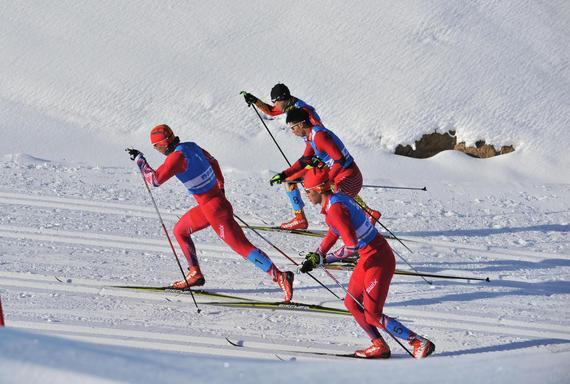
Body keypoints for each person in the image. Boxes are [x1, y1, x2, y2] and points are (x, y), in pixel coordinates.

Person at [127, 124, 294, 302]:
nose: (157, 150)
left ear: (163, 144)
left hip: (215, 210)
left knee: (242, 247)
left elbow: (154, 180)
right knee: (180, 231)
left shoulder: (175, 158)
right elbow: (213, 161)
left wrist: (140, 160)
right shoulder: (191, 145)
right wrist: (220, 186)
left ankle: (280, 276)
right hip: (211, 205)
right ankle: (195, 274)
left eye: (156, 146)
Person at [299, 167, 435, 359]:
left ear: (319, 189)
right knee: (352, 303)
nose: (306, 195)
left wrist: (325, 259)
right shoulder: (335, 200)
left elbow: (351, 246)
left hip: (379, 259)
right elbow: (334, 230)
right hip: (368, 257)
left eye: (307, 190)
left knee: (372, 314)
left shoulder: (335, 209)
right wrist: (318, 254)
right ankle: (379, 345)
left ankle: (418, 341)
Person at [270, 107, 381, 225]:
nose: (292, 131)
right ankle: (365, 219)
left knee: (335, 213)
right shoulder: (311, 137)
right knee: (334, 214)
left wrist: (328, 181)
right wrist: (284, 174)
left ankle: (363, 228)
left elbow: (340, 160)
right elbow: (304, 160)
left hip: (349, 177)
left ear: (302, 124)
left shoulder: (319, 136)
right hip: (340, 175)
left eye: (293, 127)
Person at [241, 83, 323, 230]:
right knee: (292, 179)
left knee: (292, 180)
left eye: (275, 101)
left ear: (283, 99)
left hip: (320, 154)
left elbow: (320, 130)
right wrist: (256, 101)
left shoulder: (303, 110)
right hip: (313, 152)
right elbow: (272, 112)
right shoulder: (290, 105)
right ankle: (300, 219)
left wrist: (319, 155)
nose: (275, 105)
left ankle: (300, 219)